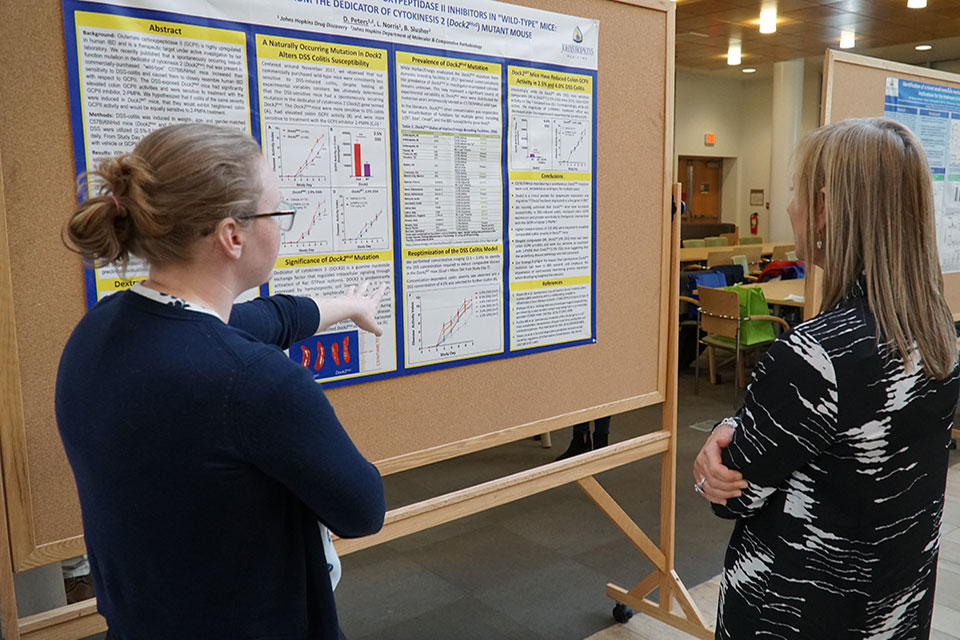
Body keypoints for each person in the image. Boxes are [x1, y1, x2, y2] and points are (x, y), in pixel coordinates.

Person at [55, 123, 386, 639]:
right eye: (277, 213)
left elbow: (267, 319)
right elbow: (364, 510)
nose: (281, 226)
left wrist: (348, 307)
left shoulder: (99, 328)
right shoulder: (254, 382)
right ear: (233, 236)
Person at [692, 117, 960, 639]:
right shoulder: (939, 337)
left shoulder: (813, 358)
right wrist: (742, 423)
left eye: (795, 192)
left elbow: (735, 495)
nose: (788, 207)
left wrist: (719, 448)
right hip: (894, 606)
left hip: (797, 612)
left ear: (822, 209)